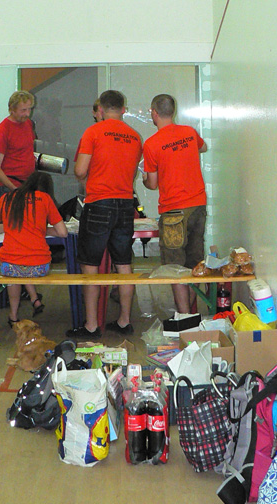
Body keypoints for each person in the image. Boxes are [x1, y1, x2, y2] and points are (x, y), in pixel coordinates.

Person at [71, 90, 143, 339]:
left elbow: (80, 171)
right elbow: (132, 172)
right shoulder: (135, 136)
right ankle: (124, 321)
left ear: (100, 109)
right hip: (125, 204)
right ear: (123, 109)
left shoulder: (93, 132)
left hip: (99, 203)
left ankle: (92, 325)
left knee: (90, 265)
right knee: (123, 264)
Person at [142, 93, 208, 313]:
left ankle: (184, 318)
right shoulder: (189, 133)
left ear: (154, 113)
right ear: (173, 111)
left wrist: (144, 178)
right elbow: (203, 147)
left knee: (174, 267)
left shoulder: (152, 144)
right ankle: (192, 316)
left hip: (173, 212)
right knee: (193, 264)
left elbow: (152, 184)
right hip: (198, 207)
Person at [0, 172, 68, 326]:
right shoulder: (45, 199)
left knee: (14, 269)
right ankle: (34, 298)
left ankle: (13, 315)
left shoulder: (7, 198)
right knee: (24, 263)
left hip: (9, 267)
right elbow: (63, 232)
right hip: (39, 267)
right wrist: (41, 229)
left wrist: (11, 226)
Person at [0, 90, 36, 197]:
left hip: (27, 184)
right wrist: (14, 189)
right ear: (12, 110)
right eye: (23, 110)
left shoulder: (28, 123)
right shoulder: (3, 130)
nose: (27, 114)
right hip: (9, 188)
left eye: (29, 109)